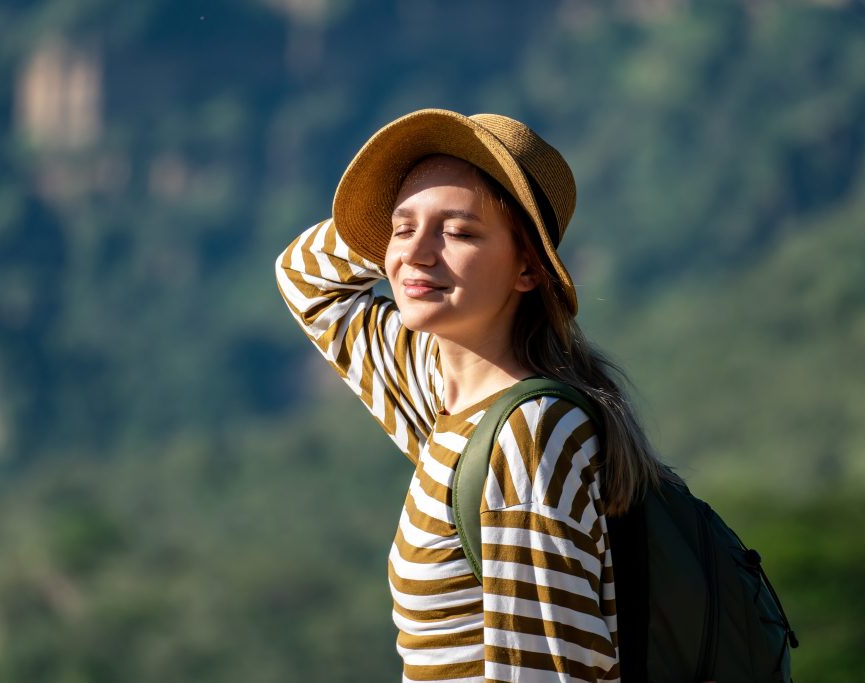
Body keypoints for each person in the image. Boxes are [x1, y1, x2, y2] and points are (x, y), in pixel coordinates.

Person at [276, 109, 676, 683]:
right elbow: (306, 277)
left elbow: (545, 673)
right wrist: (395, 219)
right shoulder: (438, 391)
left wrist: (415, 218)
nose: (416, 254)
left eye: (460, 232)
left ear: (528, 270)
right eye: (402, 227)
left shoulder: (528, 434)